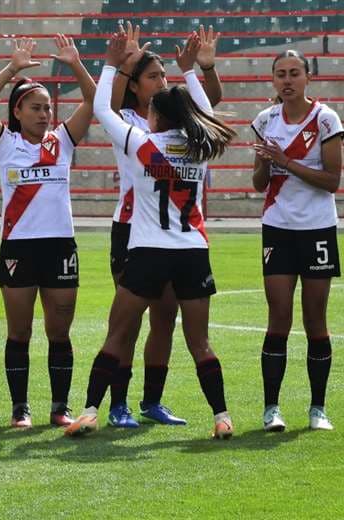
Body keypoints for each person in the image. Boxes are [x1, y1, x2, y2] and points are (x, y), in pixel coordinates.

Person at [65, 29, 236, 439]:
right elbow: (207, 111)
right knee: (200, 342)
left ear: (157, 116)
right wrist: (189, 71)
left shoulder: (142, 144)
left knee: (118, 332)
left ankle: (89, 410)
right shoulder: (201, 146)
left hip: (147, 249)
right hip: (193, 250)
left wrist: (108, 63)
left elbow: (103, 110)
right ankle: (222, 416)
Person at [104, 24, 223, 428]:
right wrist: (123, 64)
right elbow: (103, 102)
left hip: (171, 235)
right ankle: (116, 405)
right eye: (153, 76)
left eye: (164, 76)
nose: (162, 81)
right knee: (127, 322)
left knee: (165, 320)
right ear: (136, 86)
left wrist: (200, 70)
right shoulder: (127, 121)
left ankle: (151, 401)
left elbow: (208, 109)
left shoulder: (175, 127)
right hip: (133, 229)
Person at [0, 35, 95, 428]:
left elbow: (94, 102)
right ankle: (20, 409)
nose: (45, 113)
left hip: (59, 246)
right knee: (20, 332)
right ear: (17, 110)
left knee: (59, 331)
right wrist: (12, 68)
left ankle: (60, 407)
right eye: (37, 107)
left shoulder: (61, 141)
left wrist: (76, 64)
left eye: (48, 107)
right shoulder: (3, 144)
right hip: (18, 249)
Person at [252, 50, 343, 432]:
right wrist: (265, 165)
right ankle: (271, 408)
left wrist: (286, 161)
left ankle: (317, 408)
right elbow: (258, 184)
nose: (287, 80)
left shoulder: (325, 119)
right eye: (280, 75)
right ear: (273, 80)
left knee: (315, 320)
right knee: (279, 318)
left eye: (294, 73)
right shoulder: (264, 120)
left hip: (318, 228)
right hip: (278, 227)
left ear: (307, 77)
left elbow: (332, 181)